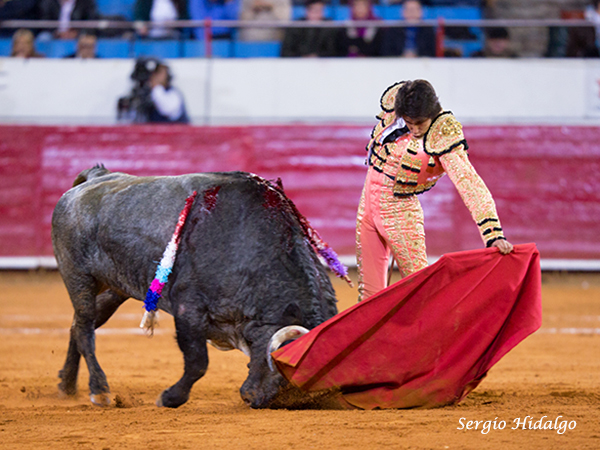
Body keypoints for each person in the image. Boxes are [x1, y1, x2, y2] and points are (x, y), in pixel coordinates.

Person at [356, 80, 513, 301]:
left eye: (420, 123)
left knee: (420, 289)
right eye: (409, 122)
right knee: (369, 296)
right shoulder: (394, 107)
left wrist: (493, 233)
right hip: (367, 206)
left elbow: (469, 182)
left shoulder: (443, 132)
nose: (415, 128)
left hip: (399, 210)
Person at [117, 58, 189, 124]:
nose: (153, 76)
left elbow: (167, 109)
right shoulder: (140, 95)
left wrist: (156, 87)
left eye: (157, 72)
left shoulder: (172, 94)